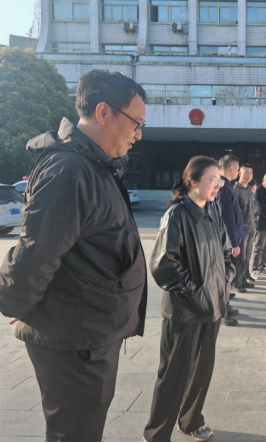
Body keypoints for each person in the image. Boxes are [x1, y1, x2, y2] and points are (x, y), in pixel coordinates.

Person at [0, 70, 148, 442]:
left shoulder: (95, 164)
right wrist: (18, 299)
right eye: (136, 123)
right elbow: (37, 250)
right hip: (75, 338)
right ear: (103, 112)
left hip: (89, 331)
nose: (138, 135)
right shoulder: (69, 169)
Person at [143, 156, 234, 443]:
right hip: (184, 311)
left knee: (201, 371)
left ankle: (191, 420)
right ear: (193, 181)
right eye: (212, 180)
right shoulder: (177, 215)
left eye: (219, 181)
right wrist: (196, 293)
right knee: (173, 374)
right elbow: (163, 265)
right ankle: (156, 434)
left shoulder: (212, 212)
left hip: (213, 308)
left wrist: (226, 281)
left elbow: (226, 252)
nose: (217, 185)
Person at [215, 155, 244, 326]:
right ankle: (221, 312)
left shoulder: (226, 186)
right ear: (231, 168)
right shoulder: (223, 187)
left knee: (228, 276)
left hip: (228, 240)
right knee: (224, 276)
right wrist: (233, 242)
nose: (239, 172)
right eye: (238, 169)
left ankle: (225, 305)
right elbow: (227, 217)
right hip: (225, 242)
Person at [233, 164, 257, 292]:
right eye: (246, 172)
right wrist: (237, 232)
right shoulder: (235, 190)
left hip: (250, 229)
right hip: (241, 230)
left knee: (247, 258)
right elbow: (234, 213)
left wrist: (254, 225)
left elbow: (251, 210)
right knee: (240, 259)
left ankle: (243, 280)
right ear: (239, 173)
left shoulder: (249, 190)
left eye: (250, 172)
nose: (248, 175)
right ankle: (236, 284)